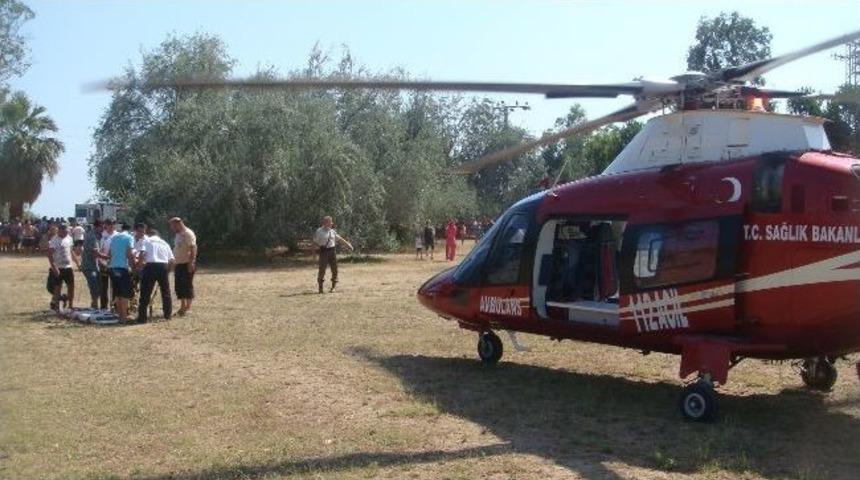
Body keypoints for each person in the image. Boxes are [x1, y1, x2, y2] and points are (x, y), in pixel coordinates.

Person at [137, 228, 174, 323]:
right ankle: (168, 314)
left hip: (150, 266)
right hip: (163, 266)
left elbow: (142, 254)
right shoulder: (165, 243)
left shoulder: (147, 240)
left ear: (149, 235)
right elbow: (172, 260)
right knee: (166, 292)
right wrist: (168, 271)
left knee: (145, 292)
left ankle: (142, 318)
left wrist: (140, 267)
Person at [100, 223, 136, 322]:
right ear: (129, 230)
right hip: (122, 268)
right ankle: (124, 317)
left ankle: (120, 316)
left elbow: (110, 254)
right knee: (124, 294)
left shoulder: (114, 238)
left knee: (118, 294)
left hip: (112, 268)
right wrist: (133, 267)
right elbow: (129, 253)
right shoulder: (129, 237)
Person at [313, 215, 353, 293]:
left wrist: (348, 245)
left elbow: (340, 239)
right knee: (322, 270)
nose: (332, 223)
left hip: (332, 251)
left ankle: (333, 287)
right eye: (330, 222)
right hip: (323, 252)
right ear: (325, 222)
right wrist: (314, 254)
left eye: (331, 222)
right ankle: (320, 288)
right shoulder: (319, 231)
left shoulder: (332, 231)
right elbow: (314, 242)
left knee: (334, 269)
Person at [169, 217, 197, 316]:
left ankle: (188, 308)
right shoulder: (178, 235)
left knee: (187, 285)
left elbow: (193, 248)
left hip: (186, 263)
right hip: (178, 264)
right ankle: (182, 306)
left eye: (172, 226)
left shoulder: (188, 233)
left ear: (178, 224)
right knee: (179, 286)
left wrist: (191, 262)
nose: (172, 228)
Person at [47, 223, 78, 311]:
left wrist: (77, 263)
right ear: (60, 230)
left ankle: (71, 306)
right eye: (64, 231)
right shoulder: (54, 240)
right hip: (58, 267)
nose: (66, 233)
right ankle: (57, 308)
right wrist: (54, 267)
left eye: (67, 231)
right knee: (57, 287)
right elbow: (49, 254)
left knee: (71, 286)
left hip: (68, 267)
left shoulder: (69, 238)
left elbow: (71, 252)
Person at [80, 220, 103, 309]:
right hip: (89, 266)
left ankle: (94, 305)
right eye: (101, 227)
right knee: (94, 286)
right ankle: (95, 306)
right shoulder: (92, 237)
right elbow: (95, 253)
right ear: (96, 227)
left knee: (99, 286)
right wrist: (109, 258)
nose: (102, 229)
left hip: (94, 265)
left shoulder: (97, 236)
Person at [98, 219, 116, 310]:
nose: (111, 226)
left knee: (114, 287)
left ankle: (113, 306)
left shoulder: (117, 236)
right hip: (104, 264)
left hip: (114, 264)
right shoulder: (103, 236)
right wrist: (101, 262)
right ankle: (103, 307)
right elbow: (100, 250)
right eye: (109, 224)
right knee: (103, 287)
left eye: (112, 224)